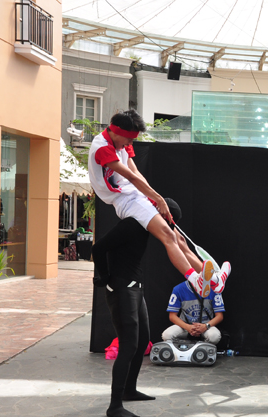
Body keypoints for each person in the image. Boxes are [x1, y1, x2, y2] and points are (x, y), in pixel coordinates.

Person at [87, 110, 229, 298]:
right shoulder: (102, 148)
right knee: (168, 236)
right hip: (125, 200)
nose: (130, 144)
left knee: (179, 239)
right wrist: (159, 200)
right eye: (129, 139)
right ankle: (196, 280)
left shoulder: (122, 142)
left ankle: (214, 281)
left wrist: (153, 197)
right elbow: (130, 177)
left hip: (136, 195)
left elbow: (136, 173)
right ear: (118, 131)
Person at [92, 198, 182, 417]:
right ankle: (115, 405)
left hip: (135, 288)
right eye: (167, 222)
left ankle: (129, 390)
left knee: (142, 341)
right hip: (122, 289)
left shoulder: (144, 227)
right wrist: (104, 277)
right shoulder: (132, 224)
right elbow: (99, 247)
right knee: (129, 345)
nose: (166, 228)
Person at [162, 279, 225, 345]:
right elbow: (172, 316)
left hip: (206, 326)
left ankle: (203, 348)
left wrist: (205, 326)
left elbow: (219, 316)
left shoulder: (214, 288)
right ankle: (183, 347)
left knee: (214, 336)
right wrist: (187, 327)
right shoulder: (179, 289)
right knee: (167, 335)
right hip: (184, 326)